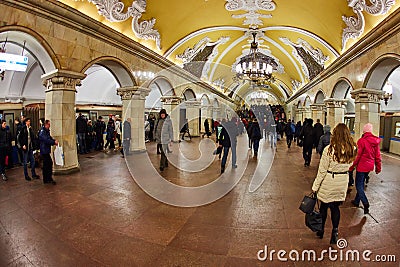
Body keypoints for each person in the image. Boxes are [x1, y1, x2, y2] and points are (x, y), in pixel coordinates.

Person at [312, 123, 357, 244]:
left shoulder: (329, 149)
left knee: (324, 207)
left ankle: (321, 230)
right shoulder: (352, 149)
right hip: (342, 181)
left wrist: (315, 187)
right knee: (336, 208)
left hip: (329, 181)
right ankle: (335, 232)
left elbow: (322, 171)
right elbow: (351, 166)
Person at [349, 123, 381, 215]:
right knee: (362, 183)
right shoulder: (375, 141)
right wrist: (378, 167)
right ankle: (356, 201)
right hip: (369, 167)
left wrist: (352, 166)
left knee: (359, 185)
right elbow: (378, 156)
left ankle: (365, 202)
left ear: (364, 131)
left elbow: (357, 156)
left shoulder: (361, 141)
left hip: (362, 166)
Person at [38, 120, 58, 185]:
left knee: (47, 164)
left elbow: (49, 138)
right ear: (46, 124)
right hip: (44, 151)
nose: (49, 126)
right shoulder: (42, 132)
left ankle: (47, 178)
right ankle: (48, 178)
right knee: (48, 164)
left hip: (46, 150)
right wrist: (53, 142)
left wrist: (54, 141)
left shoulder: (46, 131)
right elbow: (46, 140)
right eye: (49, 124)